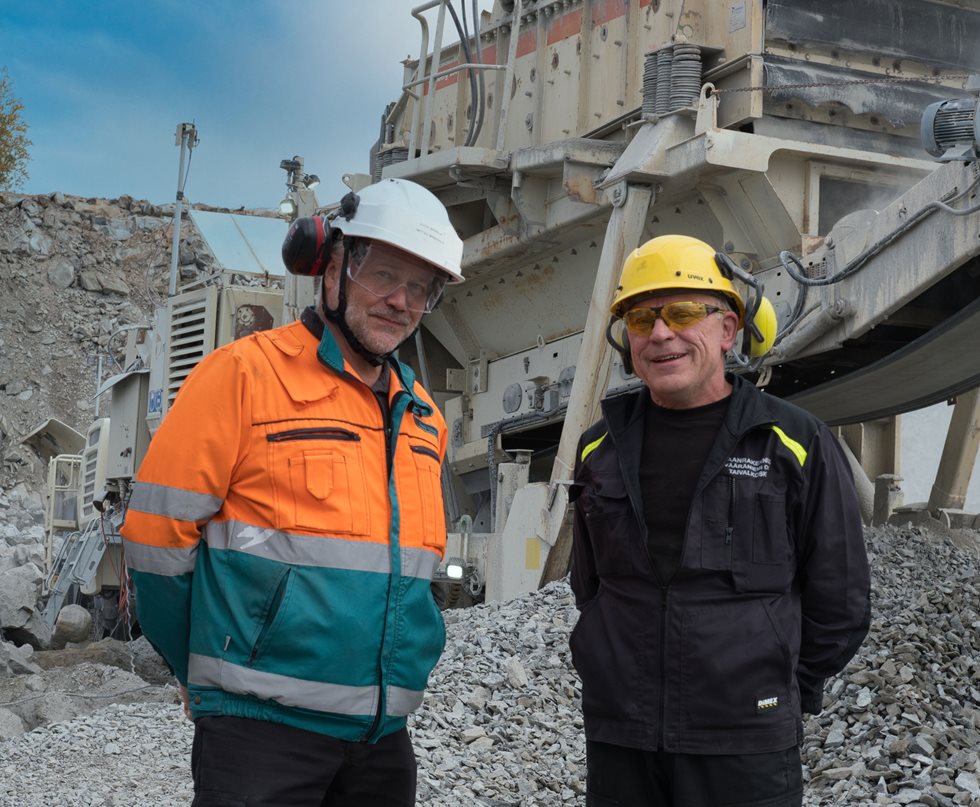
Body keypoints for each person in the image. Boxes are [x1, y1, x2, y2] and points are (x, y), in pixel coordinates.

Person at [120, 177, 464, 806]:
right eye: (383, 274)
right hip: (261, 731)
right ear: (329, 267)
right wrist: (205, 673)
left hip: (383, 736)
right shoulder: (242, 375)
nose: (400, 300)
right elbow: (154, 542)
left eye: (421, 287)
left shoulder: (422, 415)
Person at [569, 234, 871, 807]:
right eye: (641, 318)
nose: (661, 334)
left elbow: (841, 598)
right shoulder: (598, 448)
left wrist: (780, 689)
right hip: (621, 739)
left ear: (728, 330)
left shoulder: (793, 442)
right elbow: (592, 587)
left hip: (746, 745)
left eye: (684, 312)